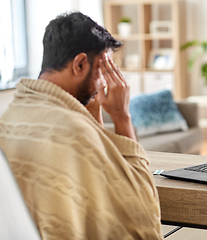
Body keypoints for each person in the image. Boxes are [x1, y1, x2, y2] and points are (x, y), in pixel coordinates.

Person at [0, 12, 163, 240]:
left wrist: (93, 114)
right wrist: (121, 117)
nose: (104, 83)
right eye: (103, 70)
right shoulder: (73, 132)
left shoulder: (9, 116)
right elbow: (143, 220)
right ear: (80, 64)